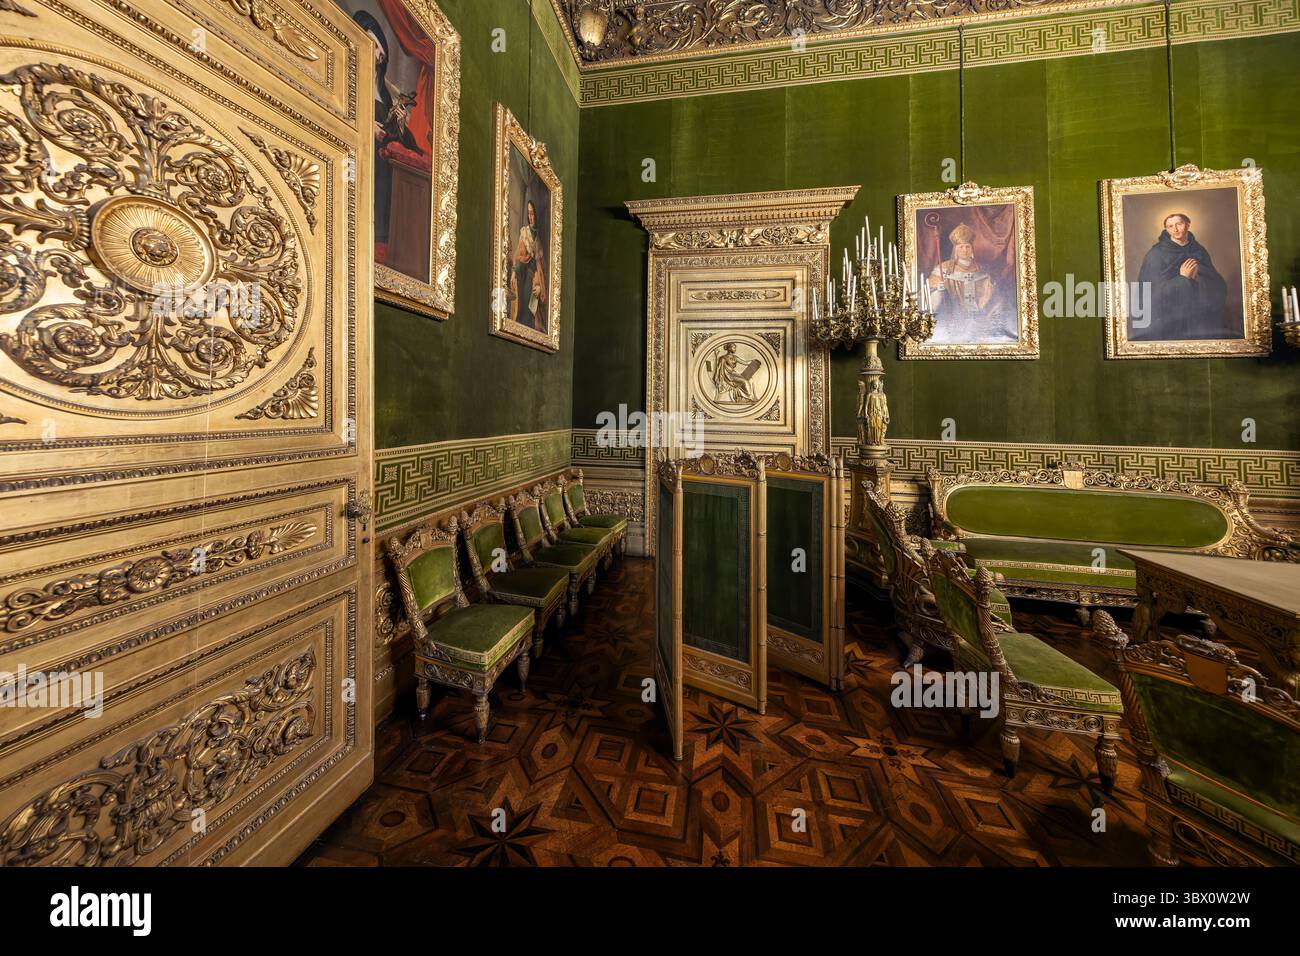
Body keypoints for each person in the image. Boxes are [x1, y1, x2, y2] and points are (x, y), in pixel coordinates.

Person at [1131, 212, 1234, 340]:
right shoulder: (1156, 254)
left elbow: (1218, 284)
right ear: (1166, 230)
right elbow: (1150, 293)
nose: (1175, 229)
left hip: (1197, 317)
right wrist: (1182, 279)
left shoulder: (1199, 250)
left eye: (1179, 224)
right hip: (1170, 319)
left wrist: (1199, 279)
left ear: (1188, 225)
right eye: (1170, 226)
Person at [926, 222, 1013, 343]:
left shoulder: (981, 269)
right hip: (951, 319)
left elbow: (993, 296)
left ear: (972, 249)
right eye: (961, 247)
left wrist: (992, 288)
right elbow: (927, 294)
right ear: (955, 249)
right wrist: (939, 290)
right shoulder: (943, 268)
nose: (964, 250)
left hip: (980, 320)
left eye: (967, 246)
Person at [511, 200, 547, 329]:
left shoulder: (539, 240)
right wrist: (514, 272)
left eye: (533, 213)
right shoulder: (525, 233)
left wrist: (540, 287)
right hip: (525, 279)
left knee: (533, 317)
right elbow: (520, 257)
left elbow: (542, 270)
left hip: (535, 282)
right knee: (524, 313)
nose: (531, 217)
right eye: (529, 214)